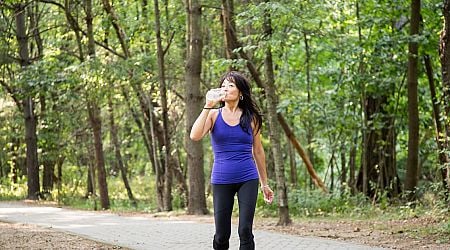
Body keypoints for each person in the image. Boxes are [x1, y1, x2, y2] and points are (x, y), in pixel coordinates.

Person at [190, 71, 274, 250]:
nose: (225, 88)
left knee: (245, 230)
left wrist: (264, 184)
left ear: (240, 92)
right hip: (221, 179)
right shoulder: (213, 115)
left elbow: (258, 151)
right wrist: (207, 106)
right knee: (221, 235)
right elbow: (194, 136)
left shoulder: (251, 118)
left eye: (231, 85)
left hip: (247, 178)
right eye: (223, 85)